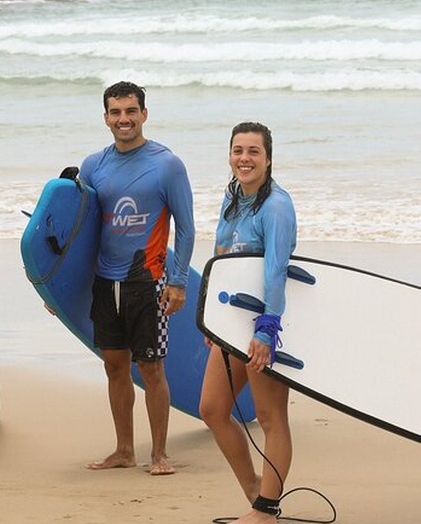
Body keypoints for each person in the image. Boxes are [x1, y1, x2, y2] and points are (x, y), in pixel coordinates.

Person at [78, 81, 195, 475]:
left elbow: (187, 228)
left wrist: (178, 282)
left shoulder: (167, 164)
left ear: (144, 114)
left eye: (131, 111)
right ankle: (124, 450)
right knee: (114, 366)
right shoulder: (93, 166)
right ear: (105, 117)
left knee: (151, 368)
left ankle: (159, 454)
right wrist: (58, 287)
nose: (123, 119)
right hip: (104, 281)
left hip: (149, 279)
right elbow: (82, 229)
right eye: (116, 112)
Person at [198, 122, 297, 523]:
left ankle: (266, 511)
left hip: (266, 323)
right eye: (238, 150)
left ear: (268, 158)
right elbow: (221, 255)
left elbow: (275, 272)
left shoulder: (276, 206)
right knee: (212, 409)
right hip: (231, 320)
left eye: (254, 151)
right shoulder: (232, 197)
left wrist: (266, 331)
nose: (245, 158)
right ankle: (256, 493)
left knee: (271, 418)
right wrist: (212, 319)